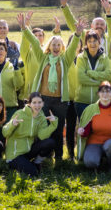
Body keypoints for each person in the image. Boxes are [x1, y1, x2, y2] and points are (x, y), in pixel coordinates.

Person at [18, 13, 85, 161]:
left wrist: (78, 34)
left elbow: (73, 45)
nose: (55, 47)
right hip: (44, 99)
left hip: (60, 100)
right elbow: (35, 43)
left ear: (62, 47)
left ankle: (59, 156)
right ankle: (46, 155)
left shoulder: (65, 60)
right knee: (44, 128)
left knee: (59, 128)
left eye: (58, 45)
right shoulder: (43, 58)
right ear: (49, 46)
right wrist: (24, 28)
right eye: (53, 45)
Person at [2, 92, 58, 176]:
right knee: (33, 173)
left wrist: (53, 125)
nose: (37, 105)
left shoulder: (41, 116)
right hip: (15, 154)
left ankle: (36, 163)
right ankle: (15, 165)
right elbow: (5, 132)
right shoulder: (20, 114)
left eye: (39, 102)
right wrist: (12, 124)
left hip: (28, 151)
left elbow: (42, 136)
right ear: (29, 103)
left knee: (50, 142)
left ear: (43, 103)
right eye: (34, 102)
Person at [75, 30, 111, 119]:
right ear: (86, 43)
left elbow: (108, 76)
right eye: (89, 41)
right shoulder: (80, 57)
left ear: (99, 42)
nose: (92, 44)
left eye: (95, 41)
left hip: (100, 101)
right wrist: (100, 83)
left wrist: (91, 73)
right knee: (84, 129)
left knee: (98, 128)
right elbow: (81, 78)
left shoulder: (105, 58)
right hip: (82, 101)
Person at [65, 33, 83, 160]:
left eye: (78, 42)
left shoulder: (84, 58)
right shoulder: (66, 58)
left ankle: (82, 152)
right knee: (70, 127)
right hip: (70, 99)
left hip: (83, 98)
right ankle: (71, 153)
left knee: (82, 127)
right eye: (73, 42)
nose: (76, 45)